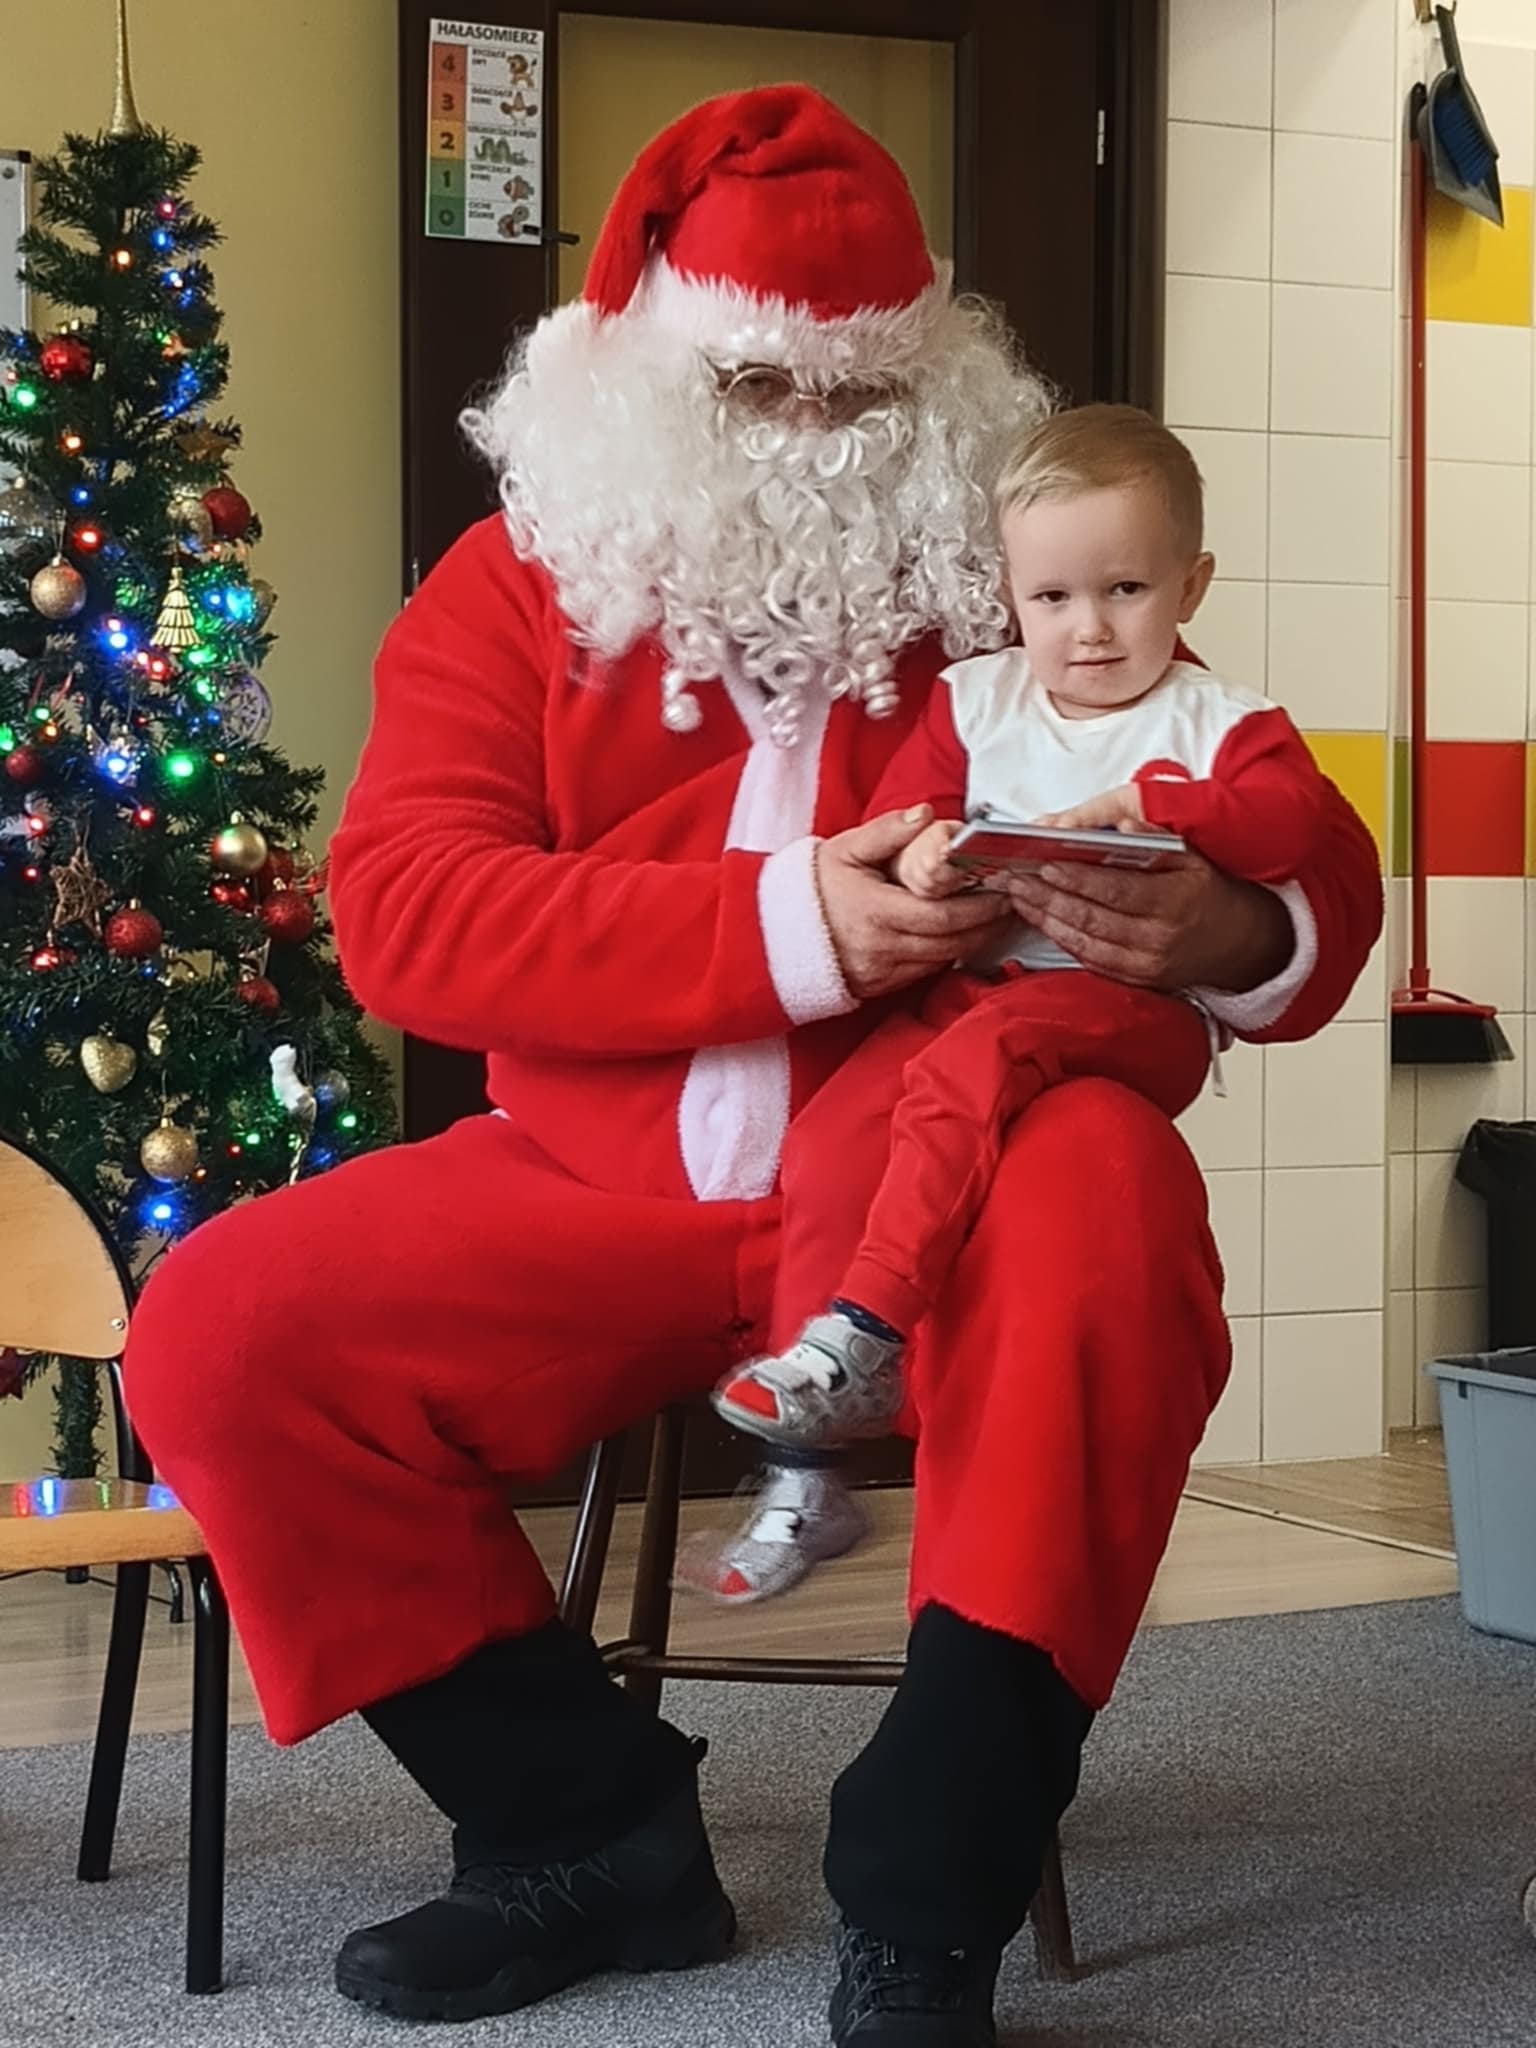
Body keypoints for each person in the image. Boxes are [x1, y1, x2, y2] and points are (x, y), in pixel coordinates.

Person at [121, 86, 1383, 2046]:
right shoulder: (514, 589)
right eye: (755, 386)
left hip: (937, 1180)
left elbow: (1273, 831)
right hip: (589, 1183)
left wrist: (1227, 929)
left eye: (862, 394)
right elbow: (406, 911)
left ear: (938, 389)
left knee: (1113, 1197)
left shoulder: (1025, 595)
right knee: (220, 1327)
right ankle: (582, 1823)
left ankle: (932, 1881)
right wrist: (792, 923)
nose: (811, 433)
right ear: (636, 373)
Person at [712, 403, 1328, 1456]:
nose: (1090, 628)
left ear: (1191, 587)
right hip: (976, 989)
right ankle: (806, 1426)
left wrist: (1154, 804)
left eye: (1125, 590)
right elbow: (911, 812)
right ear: (1009, 594)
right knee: (833, 1135)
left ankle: (868, 1328)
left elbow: (1292, 820)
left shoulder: (1221, 720)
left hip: (1136, 1008)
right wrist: (924, 852)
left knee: (979, 1058)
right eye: (1053, 597)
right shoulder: (977, 699)